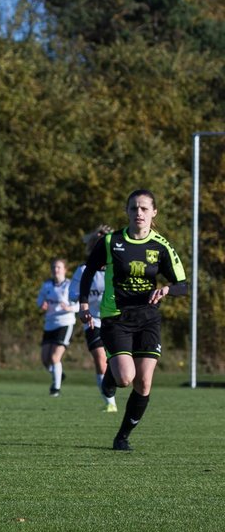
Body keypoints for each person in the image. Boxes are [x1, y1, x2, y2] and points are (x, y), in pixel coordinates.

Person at [77, 190, 187, 451]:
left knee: (144, 382)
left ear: (153, 213)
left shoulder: (161, 246)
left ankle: (122, 437)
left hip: (148, 319)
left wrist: (168, 289)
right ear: (127, 212)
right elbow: (89, 270)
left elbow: (183, 284)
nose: (139, 213)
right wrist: (83, 304)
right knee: (126, 378)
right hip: (116, 317)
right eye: (134, 208)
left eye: (144, 209)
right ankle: (111, 378)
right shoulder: (111, 242)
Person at [69, 226, 118, 412]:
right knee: (100, 357)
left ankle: (114, 381)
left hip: (115, 319)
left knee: (119, 361)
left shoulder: (117, 268)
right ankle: (110, 402)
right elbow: (73, 294)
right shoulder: (83, 270)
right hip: (93, 319)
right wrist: (85, 300)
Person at [36, 258, 77, 397]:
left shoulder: (70, 285)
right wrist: (42, 304)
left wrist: (70, 307)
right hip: (50, 324)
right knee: (45, 359)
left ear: (65, 269)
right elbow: (40, 300)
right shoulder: (47, 285)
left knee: (54, 357)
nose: (56, 270)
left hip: (65, 323)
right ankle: (59, 374)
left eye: (59, 267)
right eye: (54, 267)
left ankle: (56, 388)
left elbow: (80, 305)